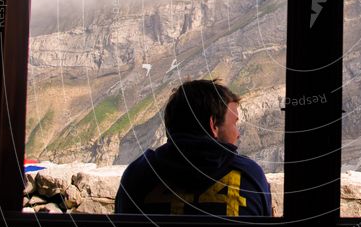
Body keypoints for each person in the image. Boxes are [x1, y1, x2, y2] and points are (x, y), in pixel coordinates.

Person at [115, 79, 272, 216]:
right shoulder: (250, 177)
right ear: (213, 125)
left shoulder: (137, 176)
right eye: (234, 123)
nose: (237, 134)